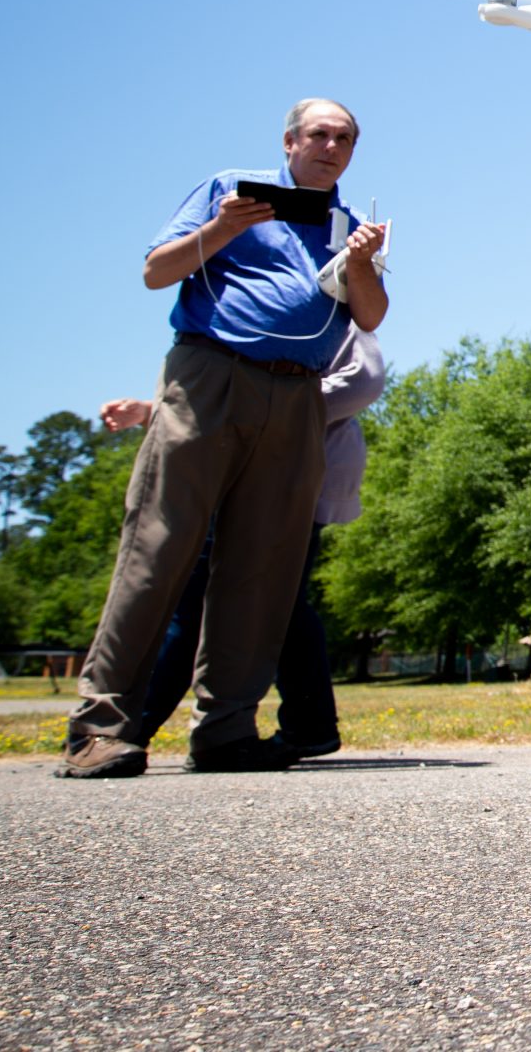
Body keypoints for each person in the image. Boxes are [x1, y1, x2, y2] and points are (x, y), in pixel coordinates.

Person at [59, 99, 388, 779]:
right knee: (157, 550)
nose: (331, 146)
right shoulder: (228, 191)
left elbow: (371, 315)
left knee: (262, 568)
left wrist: (361, 263)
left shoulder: (351, 225)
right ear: (289, 141)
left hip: (298, 395)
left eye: (344, 138)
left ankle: (226, 729)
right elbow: (156, 271)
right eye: (319, 134)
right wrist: (221, 229)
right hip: (210, 375)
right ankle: (100, 728)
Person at [114, 324, 385, 756]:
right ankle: (308, 724)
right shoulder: (247, 317)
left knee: (208, 599)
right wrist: (155, 411)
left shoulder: (324, 310)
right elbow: (231, 392)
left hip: (286, 469)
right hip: (236, 462)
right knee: (272, 603)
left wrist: (280, 408)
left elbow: (362, 380)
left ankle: (130, 728)